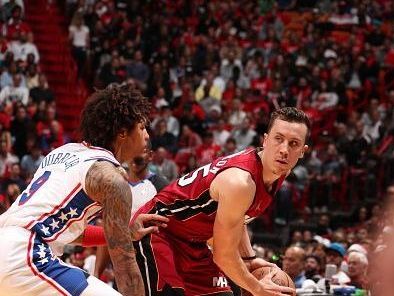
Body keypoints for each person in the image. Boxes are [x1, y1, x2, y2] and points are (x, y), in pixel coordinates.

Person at [0, 84, 165, 296]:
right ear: (122, 133)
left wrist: (123, 233)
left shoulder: (61, 152)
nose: (147, 136)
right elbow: (125, 268)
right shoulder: (112, 178)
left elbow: (64, 229)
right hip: (25, 255)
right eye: (142, 128)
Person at [134, 107, 310, 295]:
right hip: (158, 232)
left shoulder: (277, 170)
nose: (284, 150)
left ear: (302, 151)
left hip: (195, 244)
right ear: (265, 140)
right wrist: (258, 288)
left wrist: (249, 259)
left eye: (293, 144)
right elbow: (223, 255)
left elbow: (238, 217)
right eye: (278, 139)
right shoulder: (240, 182)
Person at [94, 144, 169, 280]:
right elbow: (108, 232)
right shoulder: (115, 188)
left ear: (151, 156)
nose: (135, 157)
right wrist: (97, 273)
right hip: (123, 264)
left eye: (140, 152)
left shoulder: (161, 185)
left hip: (155, 264)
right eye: (131, 151)